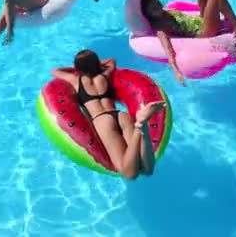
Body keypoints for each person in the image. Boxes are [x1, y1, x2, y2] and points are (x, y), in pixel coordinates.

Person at [51, 50, 166, 180]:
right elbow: (112, 60)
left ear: (78, 67)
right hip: (121, 116)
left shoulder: (76, 80)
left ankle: (140, 124)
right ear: (96, 62)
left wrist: (77, 68)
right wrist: (95, 64)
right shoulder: (105, 75)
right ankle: (142, 127)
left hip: (102, 121)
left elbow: (55, 71)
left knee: (129, 174)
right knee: (147, 170)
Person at [140, 0, 236, 86]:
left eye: (158, 3)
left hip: (201, 20)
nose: (159, 7)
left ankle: (224, 14)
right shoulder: (160, 27)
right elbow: (167, 48)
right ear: (149, 14)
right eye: (154, 8)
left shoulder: (165, 12)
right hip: (203, 32)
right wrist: (176, 72)